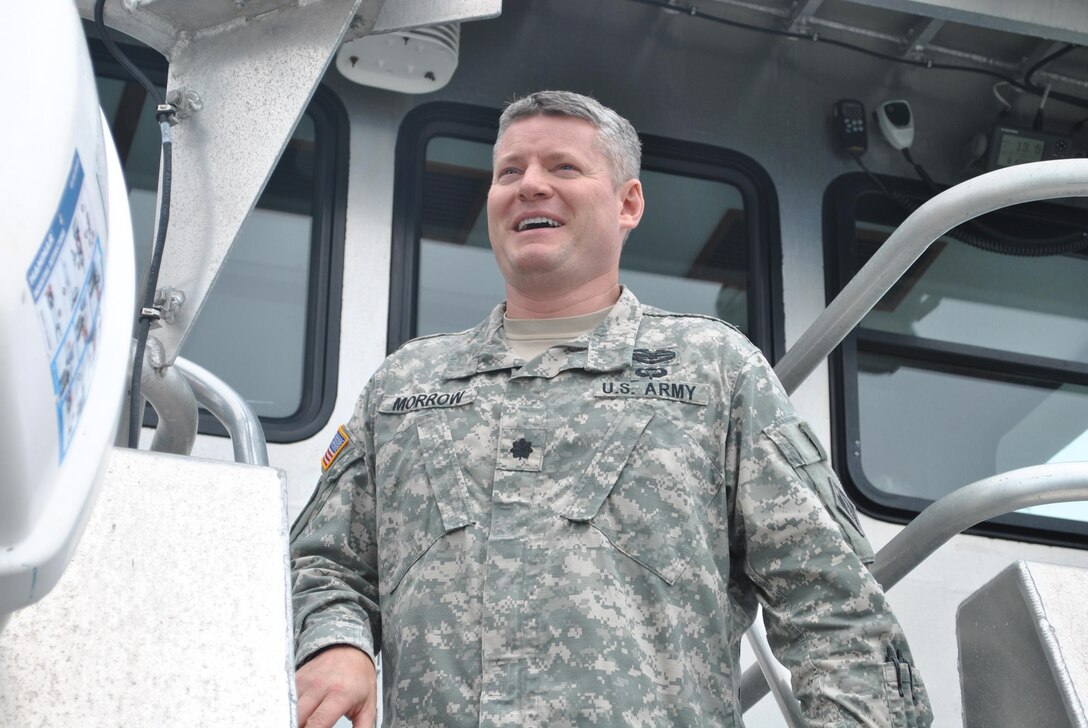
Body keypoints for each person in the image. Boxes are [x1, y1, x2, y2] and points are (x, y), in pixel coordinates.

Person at [290, 90, 932, 727]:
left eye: (562, 167)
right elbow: (323, 563)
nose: (529, 185)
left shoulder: (714, 371)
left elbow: (837, 610)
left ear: (628, 204)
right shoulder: (402, 387)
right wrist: (336, 642)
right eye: (509, 171)